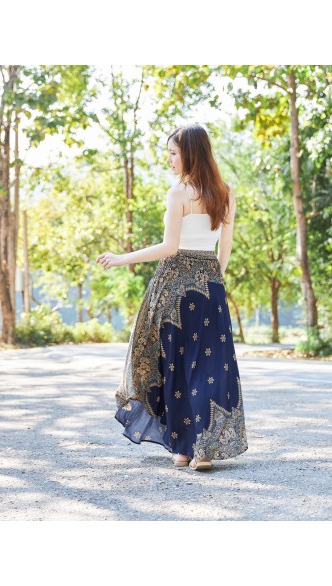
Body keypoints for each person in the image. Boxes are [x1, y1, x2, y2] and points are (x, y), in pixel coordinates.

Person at [96, 123, 248, 471]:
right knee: (209, 367)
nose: (169, 159)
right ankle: (203, 451)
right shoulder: (225, 191)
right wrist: (213, 281)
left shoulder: (178, 192)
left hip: (174, 287)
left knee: (175, 365)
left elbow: (169, 247)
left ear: (189, 153)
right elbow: (224, 249)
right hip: (210, 287)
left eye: (173, 153)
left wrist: (122, 258)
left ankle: (182, 449)